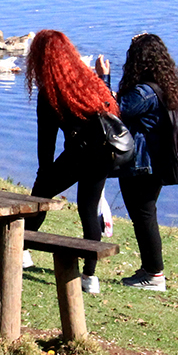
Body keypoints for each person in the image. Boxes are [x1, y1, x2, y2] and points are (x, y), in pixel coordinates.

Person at [23, 29, 119, 294]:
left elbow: (46, 142)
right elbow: (111, 108)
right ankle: (90, 277)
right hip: (103, 153)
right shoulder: (89, 80)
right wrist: (105, 77)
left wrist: (44, 173)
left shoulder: (49, 93)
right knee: (88, 210)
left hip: (79, 154)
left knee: (39, 196)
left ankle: (22, 249)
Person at [96, 34, 178, 293]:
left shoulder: (144, 92)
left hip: (142, 166)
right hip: (153, 163)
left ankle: (154, 275)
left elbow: (111, 109)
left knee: (144, 216)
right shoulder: (164, 85)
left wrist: (104, 78)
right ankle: (150, 269)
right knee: (143, 215)